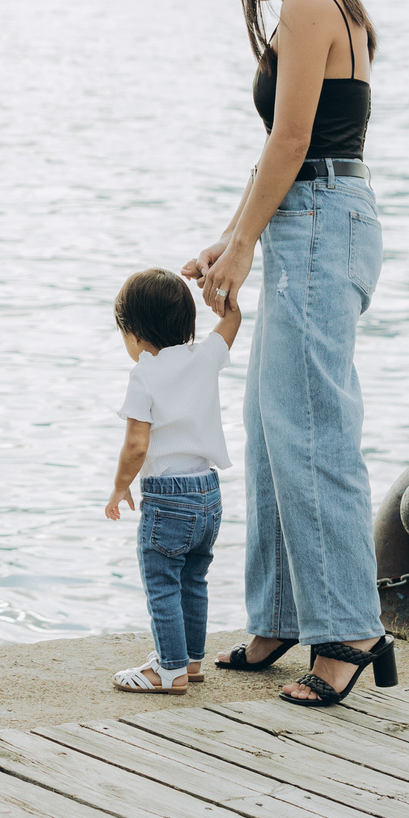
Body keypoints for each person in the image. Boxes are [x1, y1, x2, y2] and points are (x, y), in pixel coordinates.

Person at [183, 0, 397, 707]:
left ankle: (348, 627)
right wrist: (232, 236)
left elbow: (295, 138)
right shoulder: (310, 6)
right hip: (307, 218)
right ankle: (279, 614)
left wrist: (243, 246)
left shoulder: (311, 5)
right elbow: (279, 149)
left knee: (312, 426)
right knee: (272, 422)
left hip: (321, 219)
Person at [103, 267, 241, 695]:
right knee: (193, 579)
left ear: (134, 335)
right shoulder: (205, 357)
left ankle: (168, 670)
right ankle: (190, 661)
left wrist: (120, 486)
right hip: (209, 494)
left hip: (167, 500)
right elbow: (231, 322)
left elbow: (136, 446)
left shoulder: (143, 375)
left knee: (162, 583)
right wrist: (224, 298)